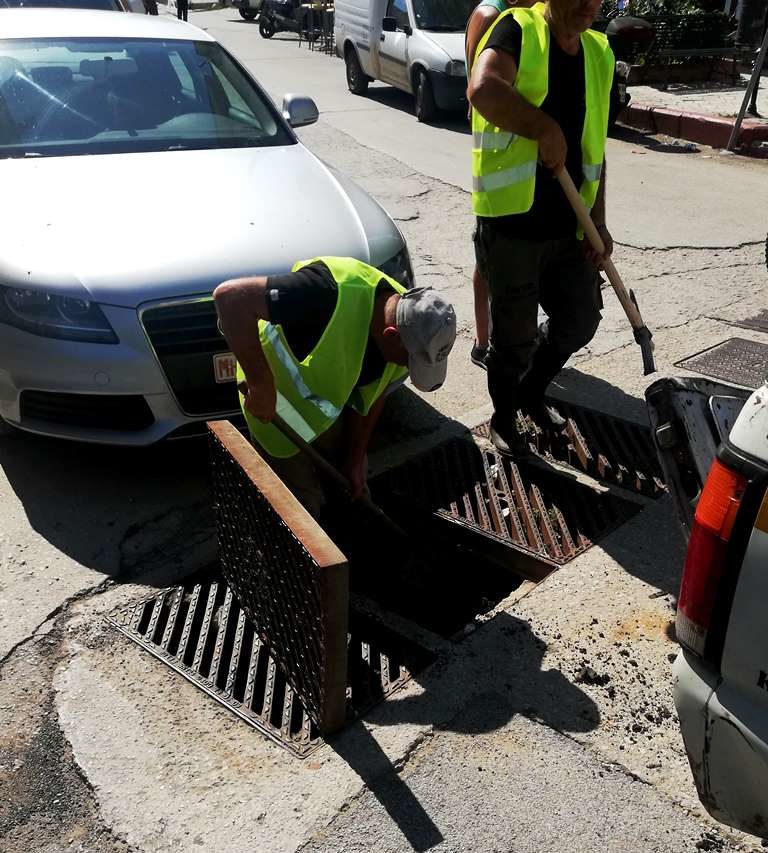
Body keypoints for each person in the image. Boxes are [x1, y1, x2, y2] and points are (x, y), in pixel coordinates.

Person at [467, 0, 615, 457]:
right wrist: (543, 128)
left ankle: (531, 391)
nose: (590, 4)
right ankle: (504, 417)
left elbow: (595, 145)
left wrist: (600, 222)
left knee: (580, 319)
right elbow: (484, 89)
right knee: (513, 339)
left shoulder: (598, 52)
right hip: (514, 223)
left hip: (571, 225)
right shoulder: (517, 29)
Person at [213, 257, 457, 518]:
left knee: (353, 486)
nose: (408, 368)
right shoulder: (326, 292)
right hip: (277, 412)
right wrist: (261, 383)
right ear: (391, 335)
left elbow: (374, 395)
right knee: (301, 513)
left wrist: (353, 459)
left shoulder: (407, 319)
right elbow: (230, 298)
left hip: (325, 409)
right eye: (410, 362)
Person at [465, 0, 537, 370]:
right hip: (498, 156)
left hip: (523, 156)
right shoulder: (491, 15)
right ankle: (482, 341)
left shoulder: (534, 19)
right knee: (487, 255)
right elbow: (474, 88)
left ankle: (509, 337)